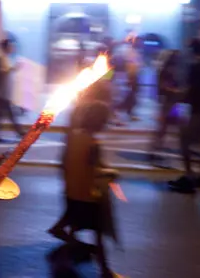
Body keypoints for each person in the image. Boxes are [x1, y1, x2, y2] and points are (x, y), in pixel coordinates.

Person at [48, 96, 120, 278]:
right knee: (98, 234)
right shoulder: (93, 144)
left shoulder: (73, 138)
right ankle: (105, 272)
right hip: (88, 197)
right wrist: (110, 174)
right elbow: (95, 170)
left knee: (73, 226)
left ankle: (66, 258)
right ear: (101, 122)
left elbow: (64, 163)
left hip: (72, 194)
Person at [168, 39, 200, 193]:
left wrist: (177, 98)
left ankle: (189, 178)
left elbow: (191, 89)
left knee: (184, 142)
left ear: (193, 52)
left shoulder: (196, 67)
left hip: (197, 110)